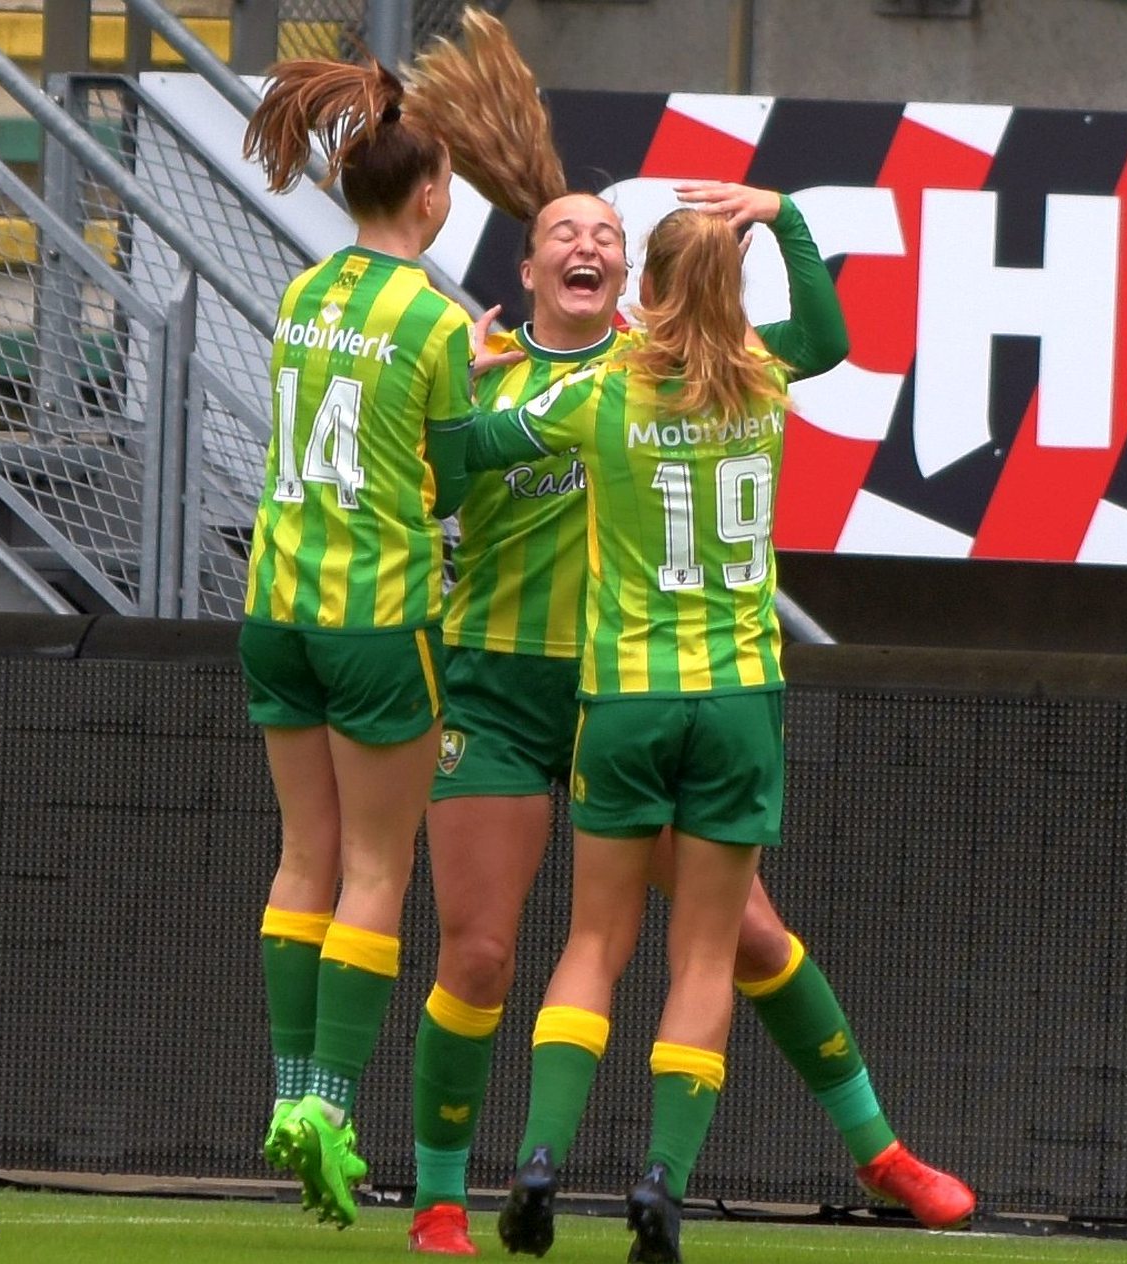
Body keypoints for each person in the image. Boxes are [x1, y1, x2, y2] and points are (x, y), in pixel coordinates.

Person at [397, 13, 974, 1259]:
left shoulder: (630, 380)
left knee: (742, 934)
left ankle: (880, 1151)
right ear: (533, 263)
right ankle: (444, 1193)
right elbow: (438, 481)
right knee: (485, 950)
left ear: (632, 278)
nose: (586, 240)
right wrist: (467, 384)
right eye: (565, 231)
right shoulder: (497, 367)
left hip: (619, 695)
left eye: (608, 231)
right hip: (514, 689)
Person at [237, 52, 475, 1230]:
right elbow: (459, 469)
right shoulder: (433, 319)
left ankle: (287, 1091)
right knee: (379, 870)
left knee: (303, 856)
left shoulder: (306, 291)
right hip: (377, 618)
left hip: (275, 607)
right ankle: (330, 1103)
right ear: (427, 192)